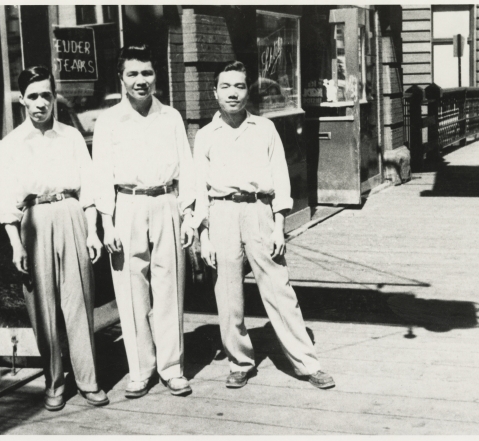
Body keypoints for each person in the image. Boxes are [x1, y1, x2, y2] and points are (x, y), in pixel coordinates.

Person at [193, 61, 335, 390]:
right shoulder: (205, 136)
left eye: (239, 86)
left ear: (247, 91)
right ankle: (240, 361)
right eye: (225, 86)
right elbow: (197, 188)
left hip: (260, 211)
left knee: (279, 289)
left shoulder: (264, 129)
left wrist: (278, 224)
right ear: (214, 92)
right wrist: (204, 235)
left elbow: (281, 180)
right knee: (228, 295)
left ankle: (307, 362)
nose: (233, 93)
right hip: (221, 215)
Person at [0, 66, 108, 411]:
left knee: (78, 302)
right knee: (43, 308)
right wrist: (15, 243)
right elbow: (5, 198)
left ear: (53, 96)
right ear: (22, 101)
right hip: (34, 221)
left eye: (46, 95)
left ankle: (88, 380)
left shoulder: (70, 136)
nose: (41, 103)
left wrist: (92, 232)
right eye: (33, 96)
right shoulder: (13, 143)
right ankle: (54, 381)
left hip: (71, 213)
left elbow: (88, 188)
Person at [92, 44, 198, 398]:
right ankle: (140, 369)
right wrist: (106, 222)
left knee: (171, 288)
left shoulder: (171, 117)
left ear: (156, 76)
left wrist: (187, 215)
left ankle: (172, 368)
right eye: (133, 74)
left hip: (166, 202)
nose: (141, 81)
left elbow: (187, 167)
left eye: (147, 73)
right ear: (121, 78)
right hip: (127, 206)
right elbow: (100, 173)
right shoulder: (108, 120)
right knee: (131, 290)